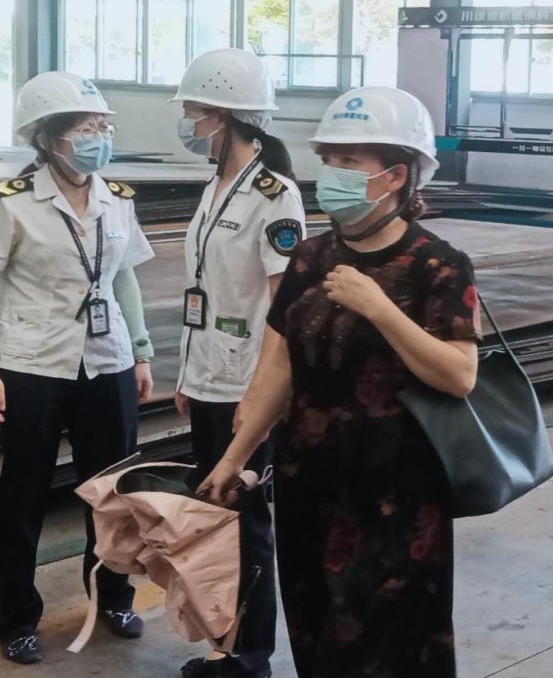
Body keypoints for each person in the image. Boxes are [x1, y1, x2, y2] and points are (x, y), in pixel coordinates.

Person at [199, 86, 481, 678]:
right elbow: (278, 368)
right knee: (317, 628)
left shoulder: (437, 264)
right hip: (309, 479)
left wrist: (379, 308)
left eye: (350, 161)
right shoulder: (308, 258)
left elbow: (459, 375)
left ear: (396, 175)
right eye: (328, 159)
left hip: (396, 491)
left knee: (388, 642)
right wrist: (234, 457)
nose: (332, 173)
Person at [0, 72, 157, 666]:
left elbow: (124, 277)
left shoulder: (116, 198)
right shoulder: (12, 200)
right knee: (23, 496)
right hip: (32, 364)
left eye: (103, 126)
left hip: (107, 361)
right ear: (48, 138)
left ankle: (114, 596)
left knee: (113, 493)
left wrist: (141, 350)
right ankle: (18, 618)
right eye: (86, 128)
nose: (99, 137)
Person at [172, 49, 306, 678]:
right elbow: (205, 292)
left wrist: (261, 396)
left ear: (223, 117)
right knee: (216, 518)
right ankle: (224, 645)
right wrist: (187, 375)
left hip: (246, 385)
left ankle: (250, 657)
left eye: (193, 112)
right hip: (208, 378)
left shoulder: (274, 196)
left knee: (245, 522)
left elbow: (284, 310)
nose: (187, 123)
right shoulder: (215, 187)